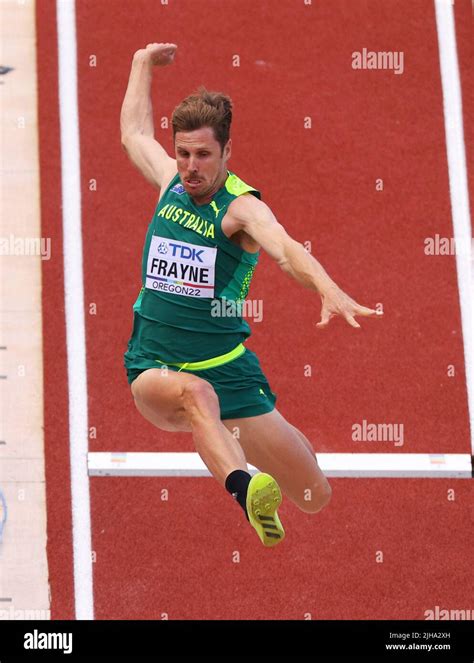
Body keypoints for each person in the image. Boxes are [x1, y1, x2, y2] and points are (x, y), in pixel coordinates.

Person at [121, 42, 382, 547]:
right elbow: (133, 132)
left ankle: (258, 469)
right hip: (156, 366)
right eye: (182, 153)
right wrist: (140, 64)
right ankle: (245, 490)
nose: (190, 166)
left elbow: (285, 250)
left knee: (312, 494)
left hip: (230, 367)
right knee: (197, 396)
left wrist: (327, 287)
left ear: (226, 153)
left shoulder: (240, 210)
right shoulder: (170, 184)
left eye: (203, 155)